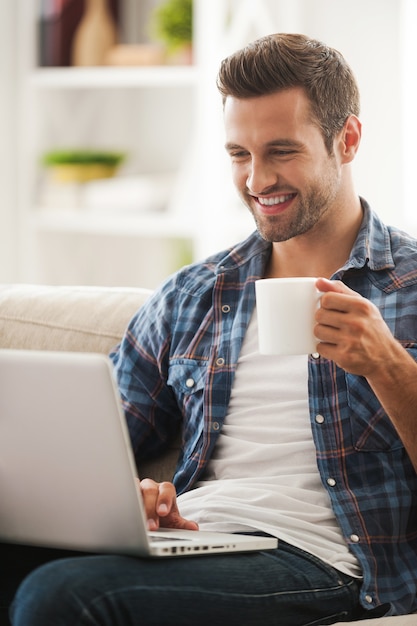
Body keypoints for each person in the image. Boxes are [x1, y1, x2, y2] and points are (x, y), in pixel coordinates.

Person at [7, 33, 417, 625]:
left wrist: (387, 364)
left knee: (66, 596)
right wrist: (132, 500)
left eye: (281, 151)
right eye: (238, 155)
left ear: (346, 139)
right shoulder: (195, 294)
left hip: (330, 561)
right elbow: (96, 444)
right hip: (201, 538)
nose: (257, 180)